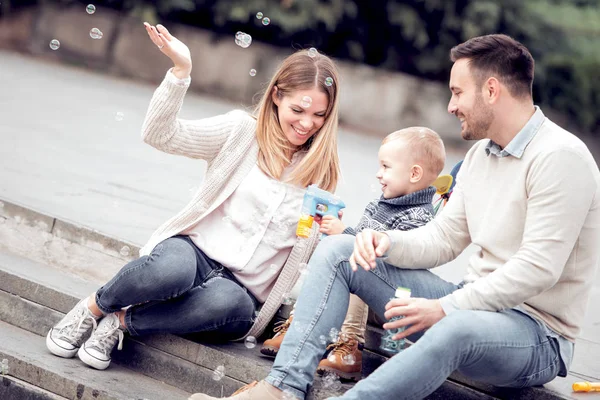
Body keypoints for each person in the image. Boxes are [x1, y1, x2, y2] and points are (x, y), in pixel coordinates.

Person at [189, 33, 600, 400]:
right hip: (472, 306)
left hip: (534, 335)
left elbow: (538, 268)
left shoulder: (560, 158)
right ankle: (281, 389)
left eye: (458, 92)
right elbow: (442, 238)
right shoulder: (481, 155)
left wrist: (449, 308)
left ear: (491, 89)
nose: (451, 105)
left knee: (454, 328)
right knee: (339, 250)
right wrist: (389, 242)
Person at [45, 22, 342, 371]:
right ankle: (93, 308)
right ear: (277, 96)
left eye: (319, 115)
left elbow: (305, 255)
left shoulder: (321, 175)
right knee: (171, 269)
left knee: (225, 301)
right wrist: (180, 72)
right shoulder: (241, 132)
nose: (307, 123)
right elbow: (160, 134)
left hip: (241, 293)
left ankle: (121, 323)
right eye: (298, 110)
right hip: (194, 251)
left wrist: (334, 238)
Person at [260, 127, 446, 382]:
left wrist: (345, 234)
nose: (379, 174)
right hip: (362, 289)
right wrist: (339, 232)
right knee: (332, 257)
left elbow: (391, 262)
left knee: (359, 263)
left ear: (414, 173)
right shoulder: (378, 204)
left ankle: (350, 345)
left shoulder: (420, 217)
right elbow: (357, 238)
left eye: (386, 167)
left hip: (391, 297)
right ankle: (298, 325)